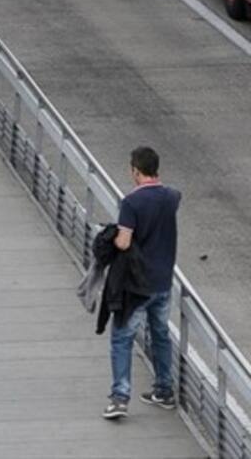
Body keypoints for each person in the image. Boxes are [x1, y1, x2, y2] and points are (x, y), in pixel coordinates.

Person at [103, 147, 182, 420]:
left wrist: (110, 238)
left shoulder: (131, 203)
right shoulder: (172, 197)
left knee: (122, 337)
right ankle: (164, 390)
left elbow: (124, 242)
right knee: (160, 334)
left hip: (137, 285)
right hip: (163, 282)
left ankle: (120, 398)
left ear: (135, 170)